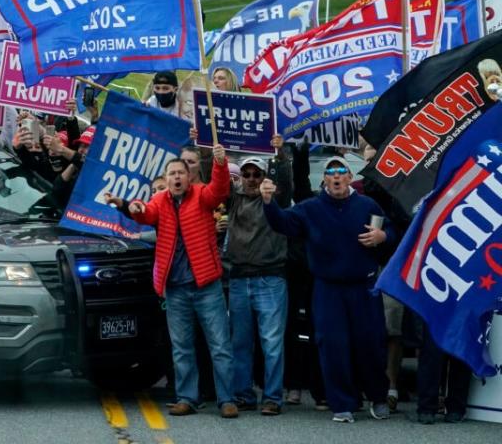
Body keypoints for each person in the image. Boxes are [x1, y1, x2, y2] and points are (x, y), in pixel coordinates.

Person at [106, 145, 237, 419]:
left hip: (206, 286)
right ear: (166, 180)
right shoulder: (160, 200)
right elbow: (145, 213)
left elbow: (220, 190)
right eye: (172, 174)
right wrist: (127, 206)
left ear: (189, 176)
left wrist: (220, 163)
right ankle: (187, 398)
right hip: (175, 289)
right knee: (182, 346)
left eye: (181, 172)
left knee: (220, 346)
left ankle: (227, 399)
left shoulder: (202, 195)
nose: (177, 177)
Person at [260, 157, 395, 423]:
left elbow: (390, 231)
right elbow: (282, 223)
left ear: (348, 177)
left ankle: (378, 398)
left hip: (364, 287)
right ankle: (342, 403)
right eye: (330, 173)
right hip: (328, 289)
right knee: (333, 346)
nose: (335, 177)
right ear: (324, 180)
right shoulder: (311, 208)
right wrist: (268, 203)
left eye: (341, 172)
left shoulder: (367, 204)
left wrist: (383, 237)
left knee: (370, 344)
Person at [222, 146, 292, 416]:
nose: (251, 178)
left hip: (271, 279)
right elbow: (212, 179)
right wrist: (205, 148)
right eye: (247, 174)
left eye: (257, 174)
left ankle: (272, 397)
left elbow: (285, 180)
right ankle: (243, 394)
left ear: (265, 176)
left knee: (272, 343)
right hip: (239, 279)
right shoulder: (234, 198)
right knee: (239, 342)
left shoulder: (276, 198)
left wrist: (280, 153)